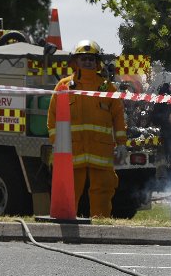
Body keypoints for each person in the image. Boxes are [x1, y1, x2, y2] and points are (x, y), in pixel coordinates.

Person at [47, 39, 126, 218]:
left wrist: (121, 143)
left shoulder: (107, 88)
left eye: (91, 59)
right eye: (84, 58)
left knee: (103, 190)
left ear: (97, 62)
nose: (88, 62)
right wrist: (56, 143)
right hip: (72, 151)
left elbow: (118, 117)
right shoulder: (64, 86)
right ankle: (66, 220)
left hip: (101, 151)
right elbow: (53, 117)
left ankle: (101, 225)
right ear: (76, 61)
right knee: (69, 191)